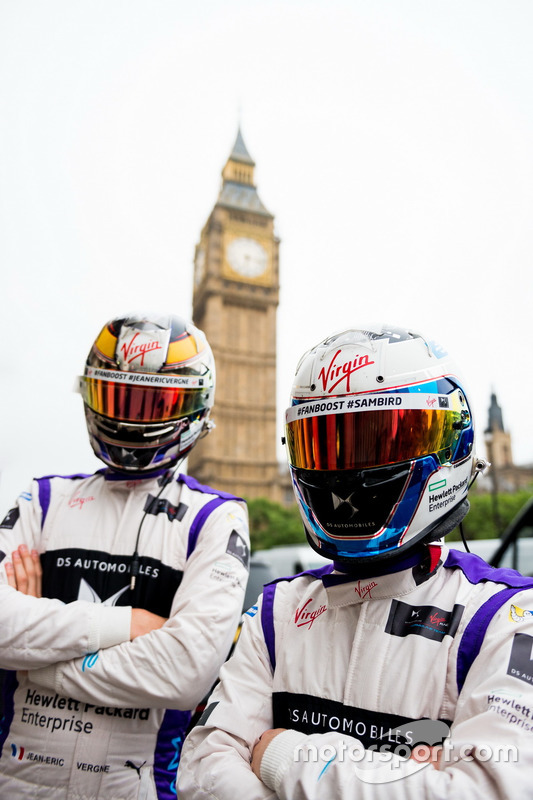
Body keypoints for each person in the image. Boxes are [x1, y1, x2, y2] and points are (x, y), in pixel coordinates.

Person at [178, 324, 533, 799]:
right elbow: (202, 772)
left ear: (453, 446)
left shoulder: (506, 622)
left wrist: (283, 758)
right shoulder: (275, 611)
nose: (349, 473)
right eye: (327, 444)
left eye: (381, 443)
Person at [0, 313, 250, 800]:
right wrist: (131, 624)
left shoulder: (214, 517)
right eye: (120, 398)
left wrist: (28, 659)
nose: (132, 419)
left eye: (155, 403)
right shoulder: (42, 498)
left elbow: (185, 672)